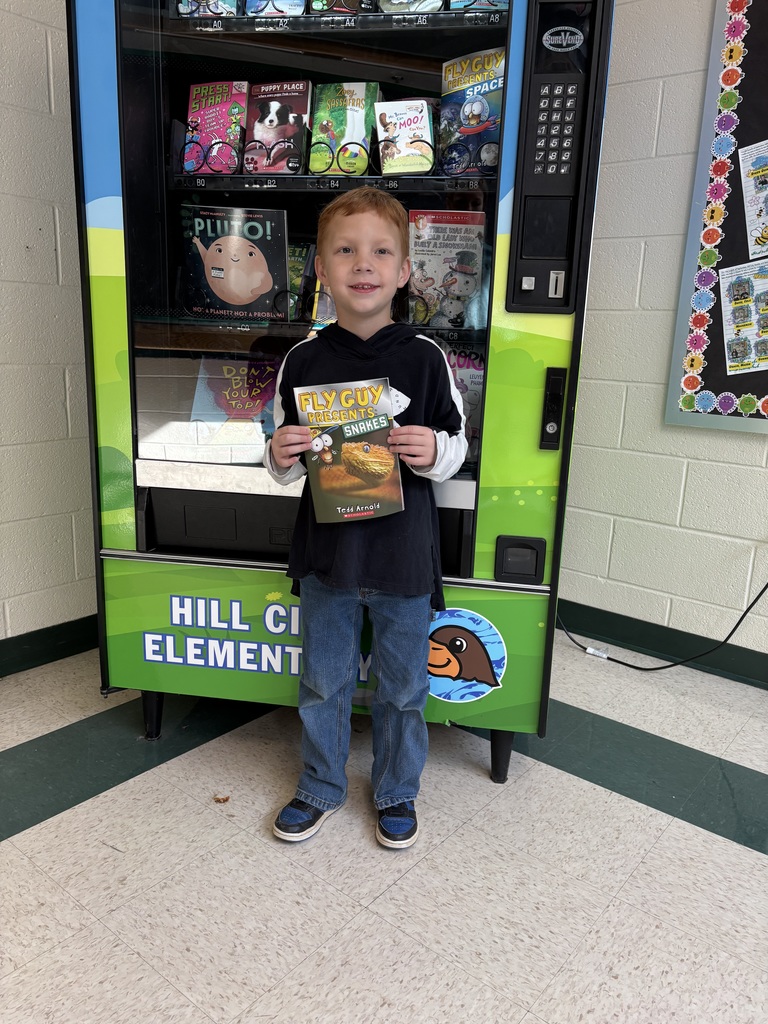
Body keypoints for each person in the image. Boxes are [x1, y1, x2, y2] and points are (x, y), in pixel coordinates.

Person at [265, 187, 467, 848]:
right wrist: (281, 452)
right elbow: (281, 459)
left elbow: (458, 443)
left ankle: (396, 791)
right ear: (320, 268)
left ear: (404, 270)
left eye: (381, 251)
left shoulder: (425, 357)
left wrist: (434, 450)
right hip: (328, 559)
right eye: (345, 250)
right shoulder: (303, 360)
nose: (363, 263)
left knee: (404, 690)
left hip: (403, 560)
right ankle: (321, 785)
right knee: (323, 683)